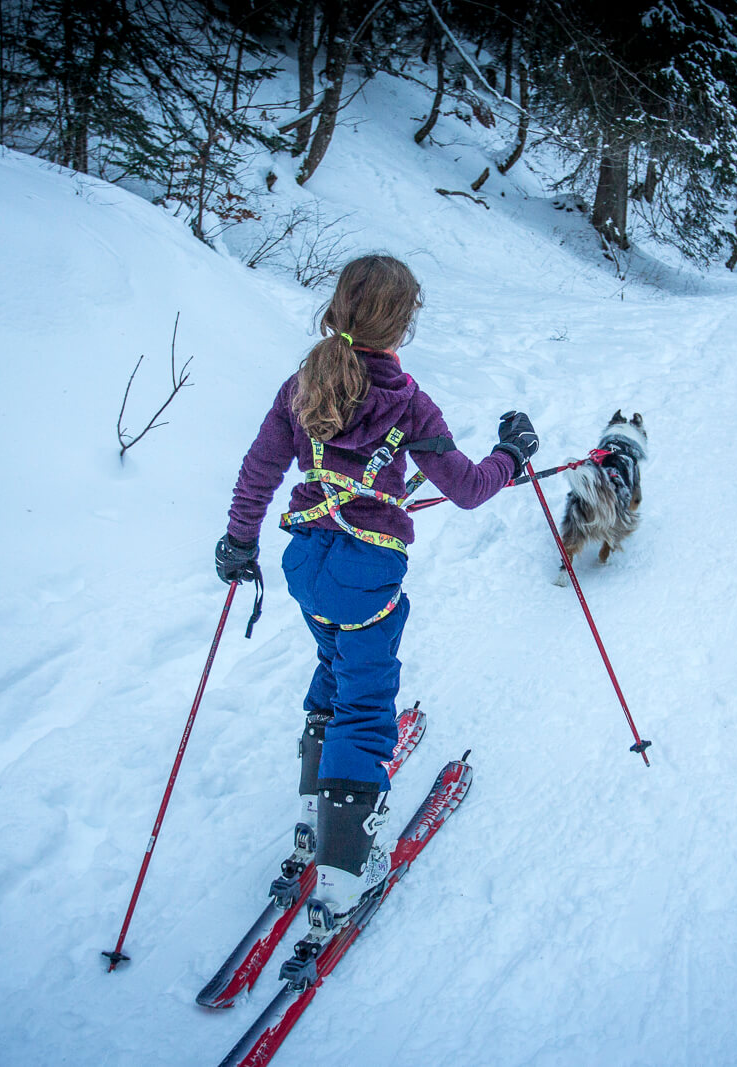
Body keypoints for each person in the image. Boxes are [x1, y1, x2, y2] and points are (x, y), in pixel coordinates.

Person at [214, 254, 537, 944]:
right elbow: (471, 488)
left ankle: (312, 816)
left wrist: (239, 541)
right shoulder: (408, 402)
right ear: (403, 322)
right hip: (366, 576)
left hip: (305, 561)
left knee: (332, 668)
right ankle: (341, 875)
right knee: (365, 707)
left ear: (340, 307)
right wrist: (513, 453)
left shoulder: (304, 382)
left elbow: (260, 468)